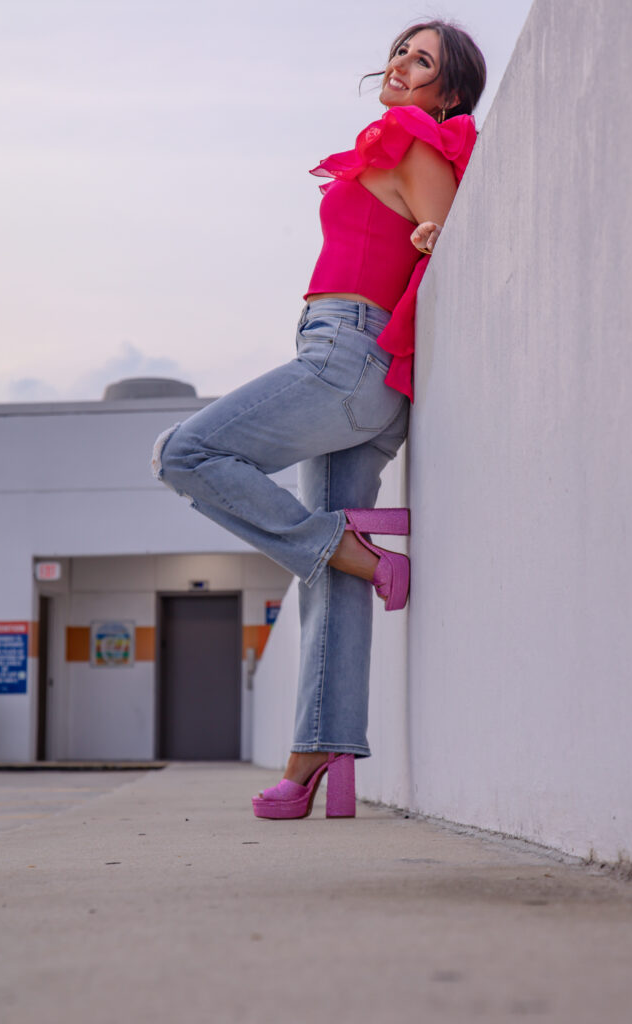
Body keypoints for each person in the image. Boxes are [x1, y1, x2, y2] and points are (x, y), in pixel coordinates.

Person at [152, 20, 486, 820]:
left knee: (183, 452)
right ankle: (313, 758)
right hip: (359, 367)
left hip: (346, 357)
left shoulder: (410, 142)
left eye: (424, 61)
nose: (402, 66)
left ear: (448, 92)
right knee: (329, 565)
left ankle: (357, 557)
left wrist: (439, 233)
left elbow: (444, 238)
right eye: (402, 50)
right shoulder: (391, 149)